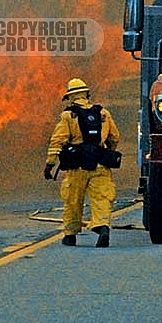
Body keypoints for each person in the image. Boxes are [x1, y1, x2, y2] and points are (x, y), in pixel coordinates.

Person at [43, 78, 120, 247]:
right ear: (86, 94)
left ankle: (70, 235)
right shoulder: (103, 114)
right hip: (100, 165)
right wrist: (106, 152)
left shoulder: (68, 116)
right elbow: (115, 137)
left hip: (76, 167)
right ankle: (103, 227)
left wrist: (50, 164)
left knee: (73, 200)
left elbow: (57, 141)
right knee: (102, 199)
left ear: (71, 96)